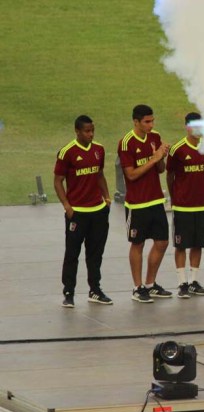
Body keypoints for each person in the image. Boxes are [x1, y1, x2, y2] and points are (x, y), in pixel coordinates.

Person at [54, 115, 112, 307]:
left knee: (95, 253)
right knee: (72, 253)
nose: (91, 134)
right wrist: (67, 206)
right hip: (77, 212)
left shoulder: (99, 149)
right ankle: (69, 292)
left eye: (92, 130)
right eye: (87, 131)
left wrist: (107, 198)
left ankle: (95, 290)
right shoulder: (67, 152)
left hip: (98, 211)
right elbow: (58, 181)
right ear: (77, 131)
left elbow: (100, 175)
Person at [118, 104, 172, 303]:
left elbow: (160, 170)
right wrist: (153, 158)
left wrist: (161, 157)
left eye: (152, 121)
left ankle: (150, 284)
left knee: (162, 242)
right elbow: (131, 175)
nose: (151, 125)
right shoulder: (126, 143)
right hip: (137, 203)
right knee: (137, 243)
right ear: (136, 122)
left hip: (156, 199)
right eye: (147, 122)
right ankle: (137, 287)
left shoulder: (155, 137)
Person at [166, 112, 204, 298]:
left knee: (198, 244)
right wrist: (174, 197)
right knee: (180, 245)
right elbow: (169, 175)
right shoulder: (177, 150)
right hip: (183, 206)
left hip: (202, 206)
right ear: (187, 127)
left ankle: (193, 281)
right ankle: (181, 282)